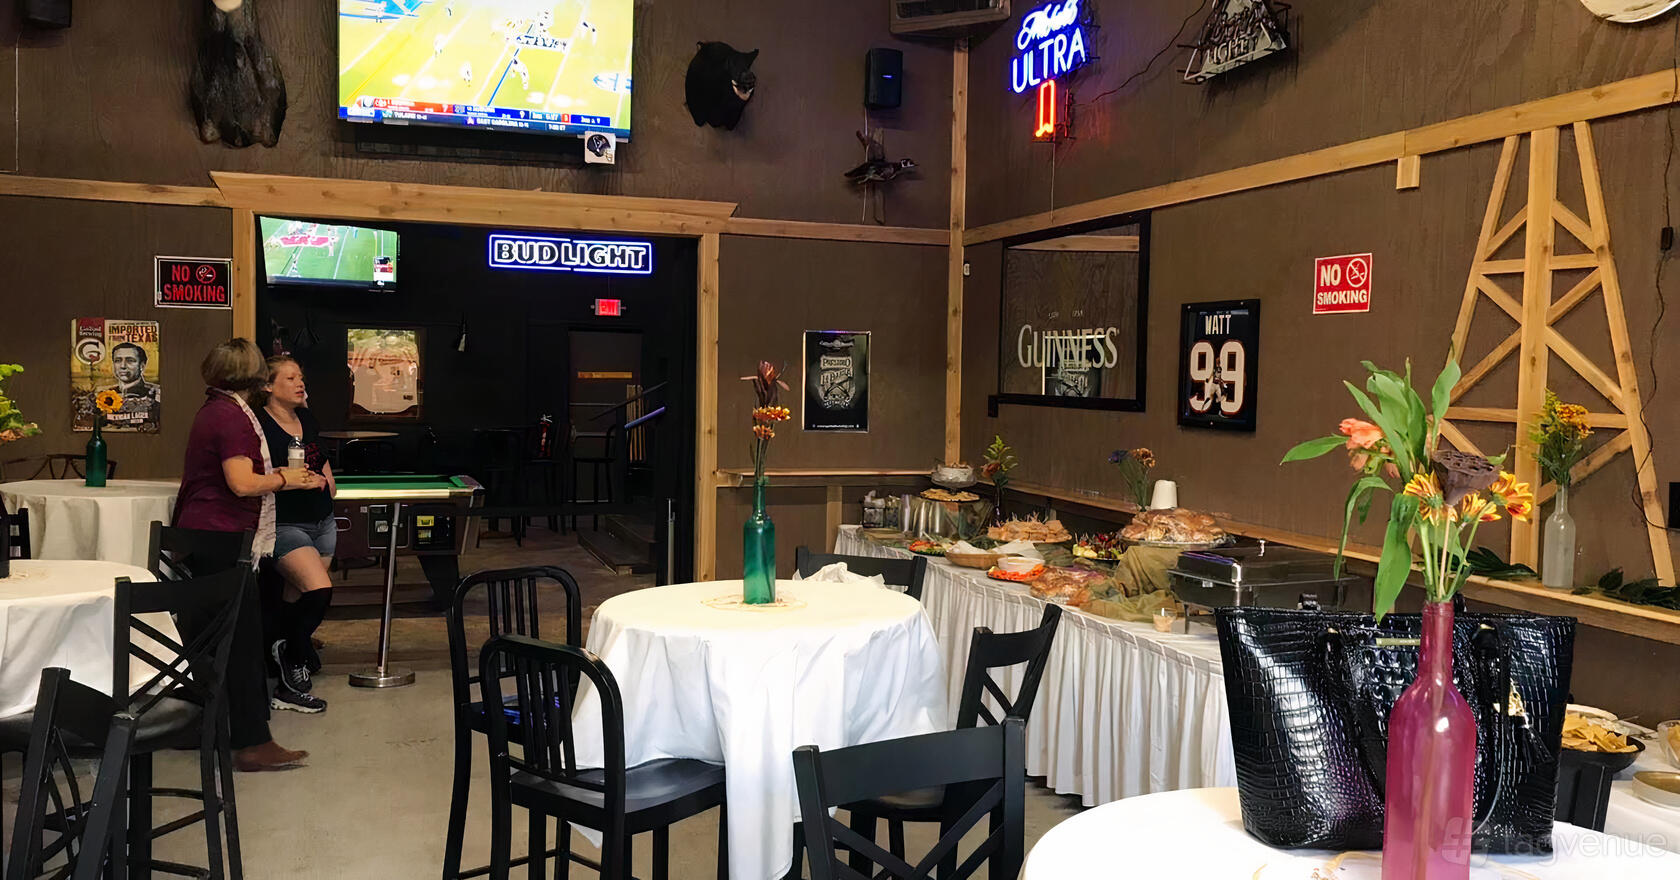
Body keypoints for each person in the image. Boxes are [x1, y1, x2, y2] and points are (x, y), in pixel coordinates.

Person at [174, 338, 319, 772]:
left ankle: (201, 726)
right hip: (223, 535)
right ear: (253, 374)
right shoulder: (233, 417)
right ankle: (252, 742)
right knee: (241, 641)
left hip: (201, 533)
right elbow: (240, 483)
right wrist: (283, 478)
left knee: (208, 638)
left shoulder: (213, 410)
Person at [254, 356, 335, 714]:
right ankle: (294, 651)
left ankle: (284, 663)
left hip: (322, 520)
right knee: (319, 590)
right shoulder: (259, 424)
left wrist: (328, 484)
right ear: (268, 386)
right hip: (285, 523)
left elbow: (322, 465)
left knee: (295, 597)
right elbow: (258, 475)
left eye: (301, 376)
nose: (300, 383)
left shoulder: (307, 418)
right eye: (290, 378)